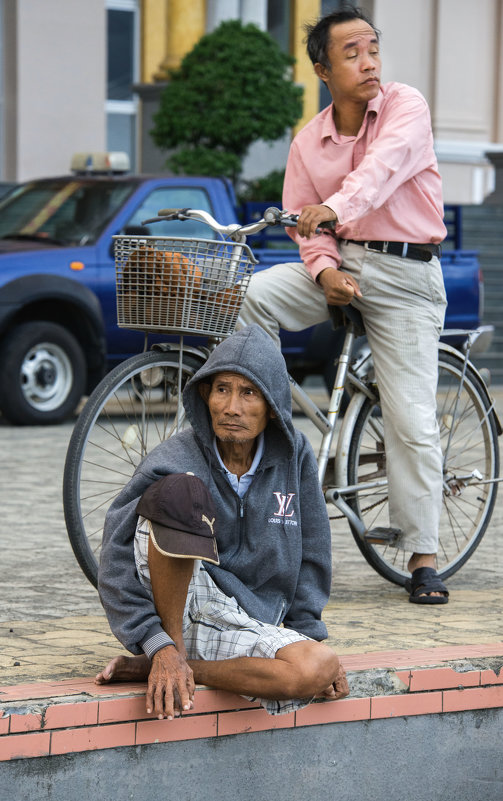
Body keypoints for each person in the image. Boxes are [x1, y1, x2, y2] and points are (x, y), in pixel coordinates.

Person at [238, 7, 449, 604]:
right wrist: (325, 269)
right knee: (253, 294)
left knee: (410, 417)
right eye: (352, 53)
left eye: (373, 48)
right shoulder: (309, 140)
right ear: (322, 70)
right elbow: (307, 227)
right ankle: (271, 424)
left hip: (406, 274)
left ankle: (423, 556)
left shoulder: (406, 106)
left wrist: (333, 208)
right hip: (344, 267)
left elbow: (380, 173)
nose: (369, 61)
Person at [95, 324, 349, 719]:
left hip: (240, 621)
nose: (232, 407)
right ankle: (169, 652)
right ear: (205, 394)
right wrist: (155, 639)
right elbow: (114, 552)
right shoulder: (177, 455)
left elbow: (314, 548)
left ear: (272, 404)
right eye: (222, 389)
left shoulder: (295, 454)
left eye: (248, 392)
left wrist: (306, 634)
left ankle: (176, 666)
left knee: (319, 665)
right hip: (178, 604)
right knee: (180, 492)